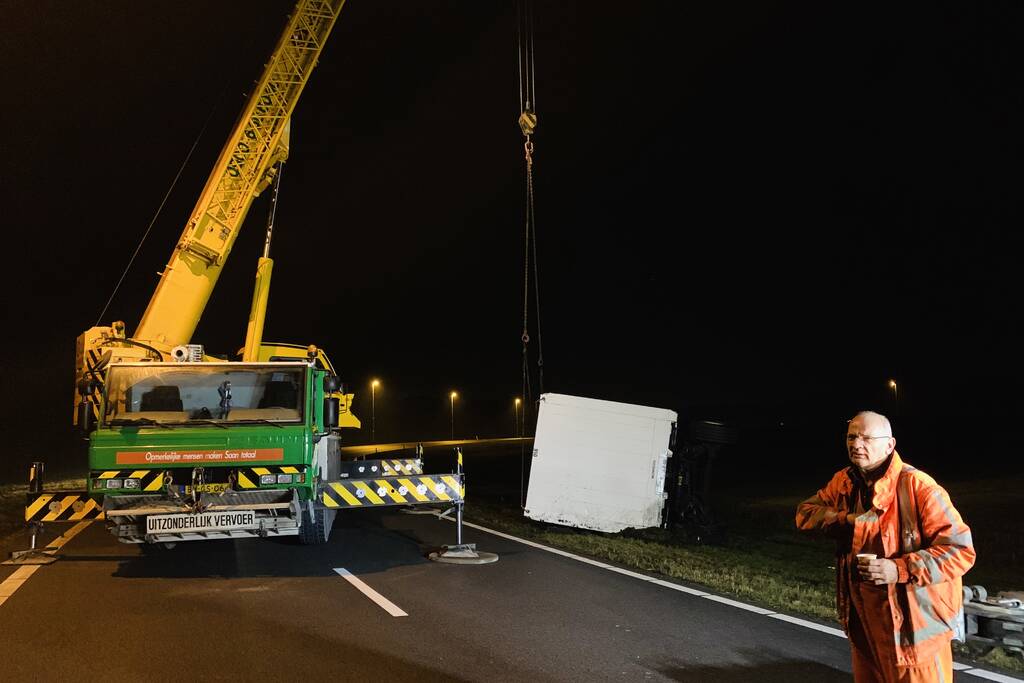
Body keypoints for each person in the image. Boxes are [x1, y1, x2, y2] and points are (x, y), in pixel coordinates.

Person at [796, 411, 975, 682]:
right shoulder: (845, 483)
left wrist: (899, 569)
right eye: (851, 437)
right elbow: (805, 514)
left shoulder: (918, 487)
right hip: (864, 626)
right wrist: (846, 521)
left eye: (866, 438)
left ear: (889, 445)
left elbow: (959, 551)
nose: (856, 444)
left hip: (914, 635)